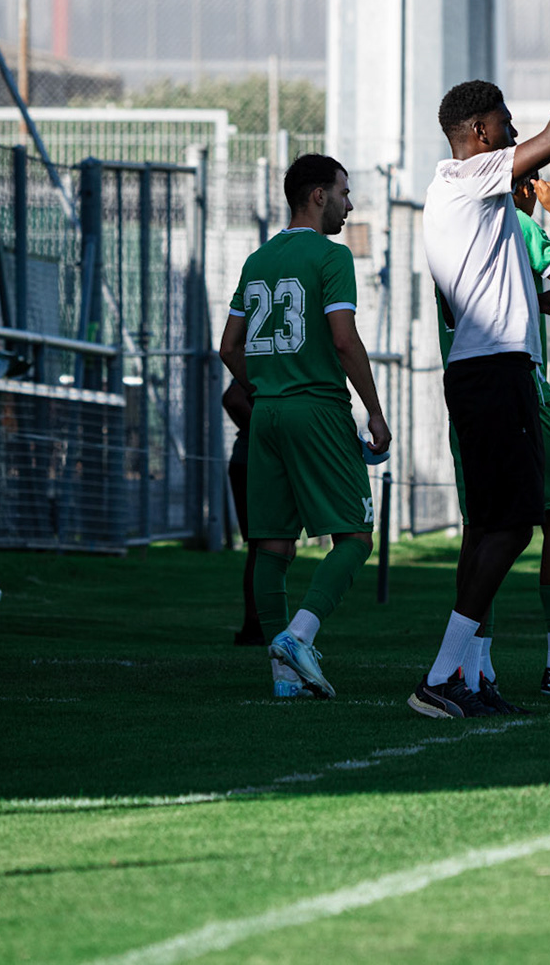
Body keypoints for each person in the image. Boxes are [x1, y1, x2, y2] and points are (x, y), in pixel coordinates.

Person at [413, 16, 550, 719]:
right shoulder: (467, 178)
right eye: (504, 123)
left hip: (486, 372)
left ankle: (468, 676)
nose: (514, 131)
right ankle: (444, 674)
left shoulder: (474, 197)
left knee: (492, 528)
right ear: (477, 132)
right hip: (496, 374)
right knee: (513, 526)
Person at [433, 174, 550, 706]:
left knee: (480, 528)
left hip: (464, 387)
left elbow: (519, 291)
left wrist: (548, 303)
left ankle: (474, 667)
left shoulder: (452, 225)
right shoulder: (515, 222)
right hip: (519, 391)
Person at [216, 154, 391, 699]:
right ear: (318, 195)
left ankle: (284, 679)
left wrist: (267, 384)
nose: (349, 202)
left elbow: (228, 348)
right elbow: (343, 339)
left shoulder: (257, 259)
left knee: (272, 548)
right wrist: (376, 412)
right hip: (317, 409)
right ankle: (299, 636)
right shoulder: (331, 256)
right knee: (356, 537)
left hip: (265, 414)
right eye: (343, 191)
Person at [223, 379, 265, 648]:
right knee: (265, 548)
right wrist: (266, 431)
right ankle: (256, 626)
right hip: (255, 462)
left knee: (275, 548)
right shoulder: (262, 351)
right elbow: (233, 398)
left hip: (259, 461)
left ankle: (261, 625)